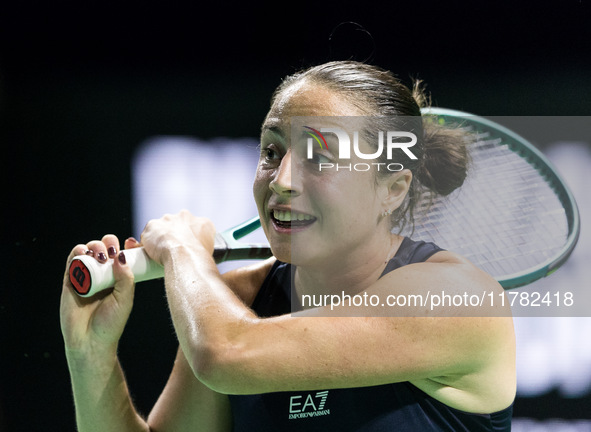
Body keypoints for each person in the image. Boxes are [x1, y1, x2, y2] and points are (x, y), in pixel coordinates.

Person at [60, 61, 515, 431]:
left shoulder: (456, 299)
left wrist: (183, 250)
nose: (282, 181)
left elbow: (226, 354)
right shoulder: (238, 301)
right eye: (272, 152)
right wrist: (90, 354)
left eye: (320, 157)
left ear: (392, 189)